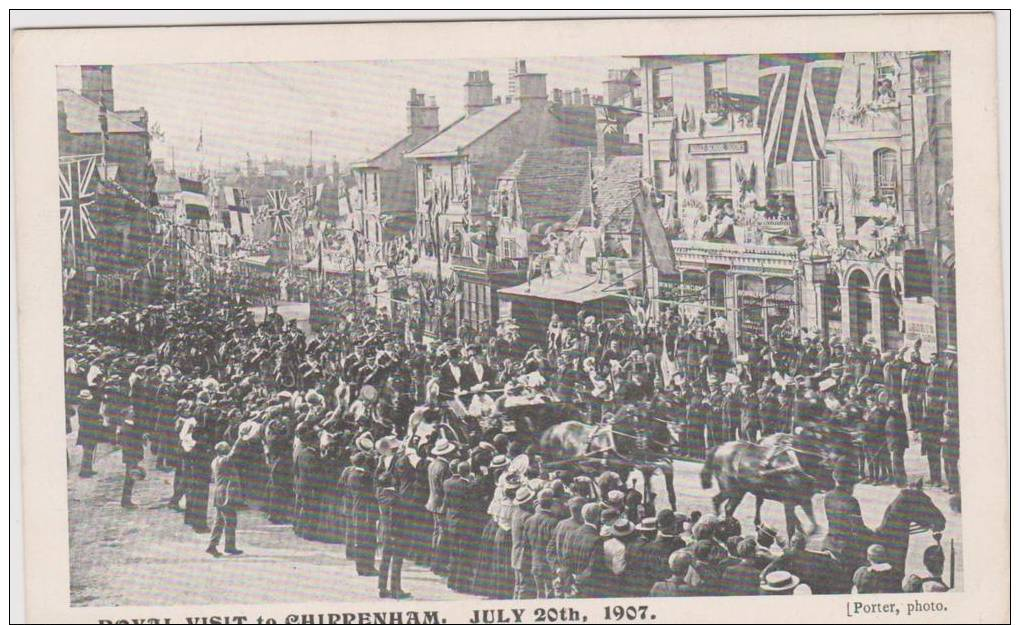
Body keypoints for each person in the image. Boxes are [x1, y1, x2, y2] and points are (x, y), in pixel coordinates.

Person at [761, 531, 843, 595]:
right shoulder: (817, 555)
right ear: (805, 544)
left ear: (792, 544)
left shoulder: (788, 556)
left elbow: (766, 571)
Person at [206, 435, 244, 557]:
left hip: (219, 493)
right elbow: (233, 453)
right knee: (231, 520)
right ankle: (229, 546)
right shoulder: (224, 460)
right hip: (226, 494)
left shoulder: (215, 461)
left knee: (219, 521)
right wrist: (240, 438)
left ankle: (212, 545)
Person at [425, 439, 455, 575]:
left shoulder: (432, 464)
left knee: (436, 532)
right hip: (441, 503)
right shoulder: (445, 467)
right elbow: (446, 488)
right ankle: (439, 564)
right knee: (442, 534)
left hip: (432, 501)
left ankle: (434, 562)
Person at [523, 488, 560, 599]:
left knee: (540, 594)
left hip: (535, 563)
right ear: (552, 503)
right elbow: (555, 546)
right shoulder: (553, 522)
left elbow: (526, 545)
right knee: (550, 594)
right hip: (550, 565)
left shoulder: (529, 520)